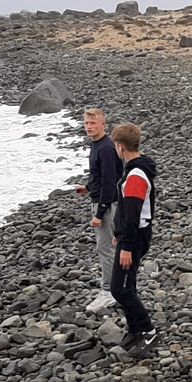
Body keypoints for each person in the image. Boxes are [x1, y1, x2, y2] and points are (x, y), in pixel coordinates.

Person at [110, 122, 159, 353]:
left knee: (120, 289)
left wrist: (126, 244)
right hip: (131, 235)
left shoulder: (136, 174)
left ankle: (148, 330)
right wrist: (119, 235)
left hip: (135, 236)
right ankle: (134, 330)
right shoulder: (134, 169)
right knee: (126, 285)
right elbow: (126, 211)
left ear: (120, 148)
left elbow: (132, 212)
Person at [73, 108, 120, 312]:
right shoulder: (98, 146)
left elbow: (111, 182)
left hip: (107, 204)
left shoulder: (106, 148)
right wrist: (89, 187)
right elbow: (102, 177)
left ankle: (109, 291)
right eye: (86, 123)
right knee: (110, 246)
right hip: (102, 199)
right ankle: (118, 286)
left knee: (106, 247)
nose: (89, 127)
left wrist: (99, 213)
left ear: (103, 125)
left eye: (93, 123)